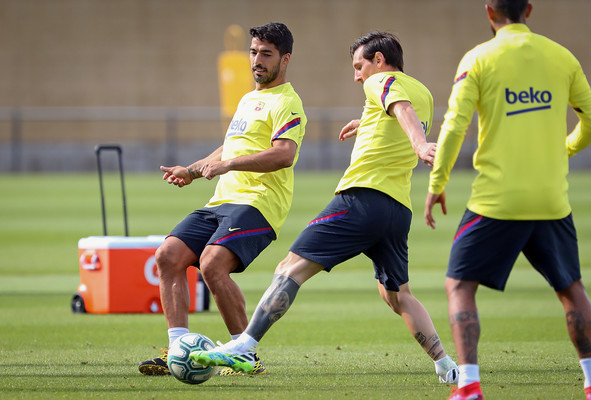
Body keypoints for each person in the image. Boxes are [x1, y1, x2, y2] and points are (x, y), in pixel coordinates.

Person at [189, 31, 459, 384]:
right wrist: (368, 123)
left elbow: (399, 108)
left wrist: (420, 145)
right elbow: (399, 112)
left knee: (291, 268)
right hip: (396, 210)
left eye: (359, 66)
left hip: (361, 199)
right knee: (397, 295)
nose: (356, 76)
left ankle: (245, 344)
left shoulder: (382, 80)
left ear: (378, 60)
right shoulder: (421, 90)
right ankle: (445, 365)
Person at [423, 1, 591, 399]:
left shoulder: (478, 59)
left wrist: (438, 182)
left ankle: (468, 385)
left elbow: (454, 125)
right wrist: (564, 150)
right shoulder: (562, 56)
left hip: (496, 202)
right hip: (552, 199)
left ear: (489, 12)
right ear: (529, 10)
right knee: (571, 288)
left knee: (460, 285)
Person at [138, 22, 307, 377]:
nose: (257, 60)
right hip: (222, 201)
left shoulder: (288, 102)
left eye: (266, 54)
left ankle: (244, 351)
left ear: (285, 59)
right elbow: (229, 149)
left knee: (212, 263)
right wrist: (193, 170)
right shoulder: (248, 99)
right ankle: (178, 348)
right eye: (253, 52)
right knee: (167, 255)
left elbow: (284, 154)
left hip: (259, 203)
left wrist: (227, 164)